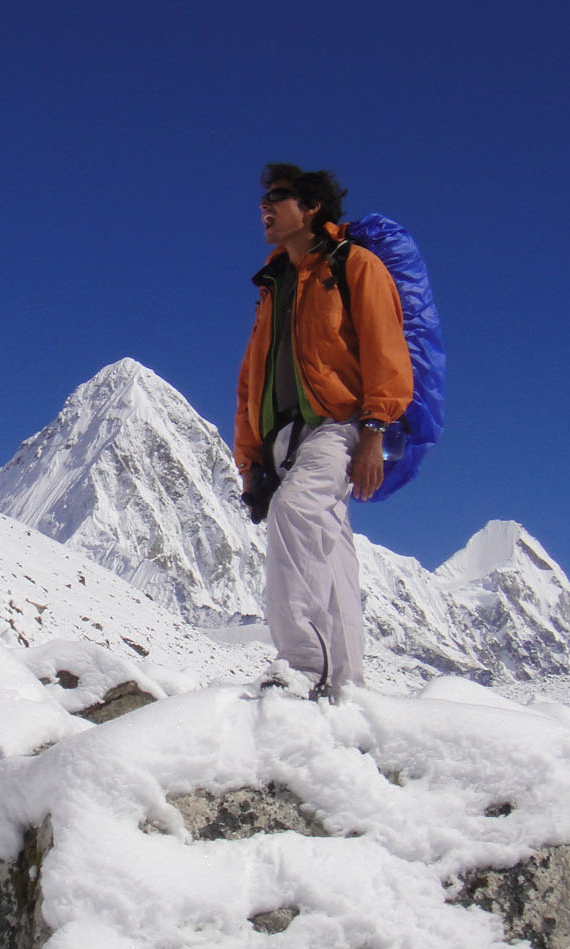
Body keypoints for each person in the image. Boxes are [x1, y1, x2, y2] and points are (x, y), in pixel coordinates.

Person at [234, 163, 413, 700]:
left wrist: (375, 431)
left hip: (341, 425)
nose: (265, 207)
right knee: (331, 553)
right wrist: (250, 464)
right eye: (263, 199)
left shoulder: (354, 266)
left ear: (312, 207)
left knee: (296, 512)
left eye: (279, 197)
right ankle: (346, 687)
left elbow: (386, 348)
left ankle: (302, 666)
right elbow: (252, 380)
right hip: (284, 439)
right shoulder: (273, 286)